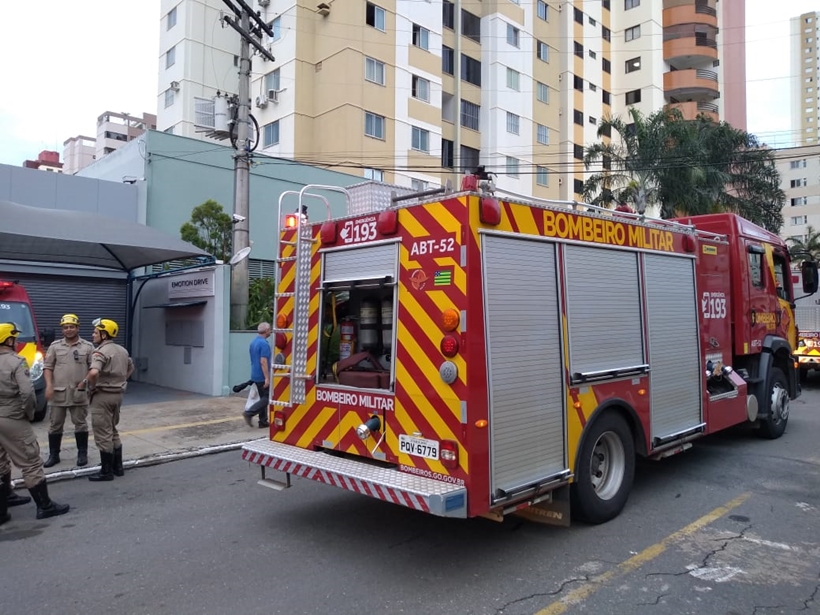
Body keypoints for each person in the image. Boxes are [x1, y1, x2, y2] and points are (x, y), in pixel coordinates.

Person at [0, 322, 70, 523]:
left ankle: (3, 509)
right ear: (9, 339)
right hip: (12, 417)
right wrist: (29, 413)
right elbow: (28, 393)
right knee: (31, 462)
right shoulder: (16, 361)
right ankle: (45, 506)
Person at [80, 318, 134, 482]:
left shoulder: (100, 352)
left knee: (103, 433)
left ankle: (106, 471)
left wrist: (91, 385)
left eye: (96, 332)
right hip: (117, 395)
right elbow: (131, 366)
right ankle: (118, 467)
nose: (93, 335)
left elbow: (94, 372)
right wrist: (121, 380)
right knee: (112, 429)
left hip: (102, 396)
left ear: (104, 335)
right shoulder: (122, 350)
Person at [42, 314, 94, 468]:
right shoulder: (55, 346)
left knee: (80, 424)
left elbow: (93, 368)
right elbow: (48, 367)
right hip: (58, 394)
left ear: (78, 328)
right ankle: (54, 455)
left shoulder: (87, 347)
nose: (69, 330)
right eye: (65, 327)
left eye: (72, 327)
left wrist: (86, 384)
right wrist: (49, 386)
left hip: (79, 393)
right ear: (62, 330)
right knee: (55, 425)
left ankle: (82, 453)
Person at [243, 322, 271, 428]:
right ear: (267, 331)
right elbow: (263, 361)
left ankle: (263, 421)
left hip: (254, 374)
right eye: (270, 329)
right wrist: (267, 378)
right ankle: (249, 413)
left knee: (262, 398)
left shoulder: (253, 342)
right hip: (261, 375)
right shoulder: (264, 344)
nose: (271, 331)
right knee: (267, 398)